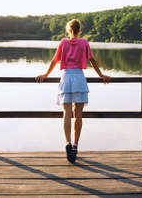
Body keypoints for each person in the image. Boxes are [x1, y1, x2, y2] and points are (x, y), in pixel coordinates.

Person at [36, 19, 110, 163]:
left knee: (67, 114)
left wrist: (45, 75)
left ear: (68, 30)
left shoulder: (63, 43)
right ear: (79, 30)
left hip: (66, 78)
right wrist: (101, 75)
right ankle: (75, 145)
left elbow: (54, 61)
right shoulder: (84, 43)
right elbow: (92, 60)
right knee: (78, 115)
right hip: (79, 78)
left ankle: (68, 143)